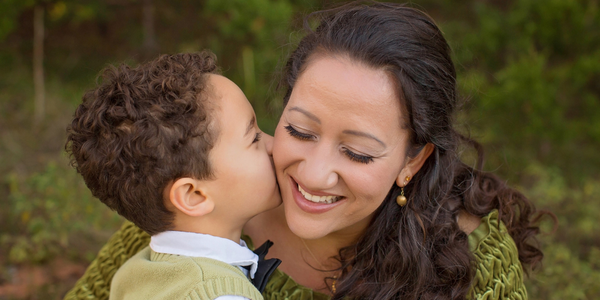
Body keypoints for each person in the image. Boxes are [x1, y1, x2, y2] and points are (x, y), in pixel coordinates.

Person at [64, 2, 548, 300]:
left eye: (357, 153)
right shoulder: (192, 219)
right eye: (299, 130)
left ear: (411, 161)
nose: (314, 174)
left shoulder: (473, 257)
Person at [65, 52, 282, 300]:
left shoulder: (133, 274)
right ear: (193, 195)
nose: (275, 145)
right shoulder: (224, 296)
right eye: (254, 138)